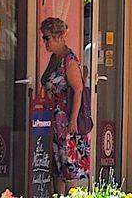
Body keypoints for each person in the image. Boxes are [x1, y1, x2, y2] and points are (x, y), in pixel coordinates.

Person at [37, 17, 91, 187]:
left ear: (59, 36)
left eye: (47, 38)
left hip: (66, 120)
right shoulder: (54, 58)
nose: (45, 42)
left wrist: (73, 120)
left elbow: (78, 90)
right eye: (43, 38)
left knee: (69, 167)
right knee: (57, 168)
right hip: (53, 120)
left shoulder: (69, 60)